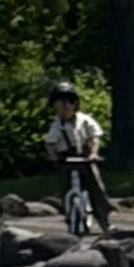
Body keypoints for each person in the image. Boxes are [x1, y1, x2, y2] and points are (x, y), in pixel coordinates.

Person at [42, 81, 113, 232]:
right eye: (60, 104)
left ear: (75, 104)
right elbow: (50, 143)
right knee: (65, 187)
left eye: (69, 102)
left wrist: (93, 153)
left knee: (96, 188)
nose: (65, 107)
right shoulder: (56, 126)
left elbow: (94, 137)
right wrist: (53, 156)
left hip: (85, 158)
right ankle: (69, 215)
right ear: (54, 106)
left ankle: (103, 220)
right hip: (65, 160)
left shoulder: (84, 120)